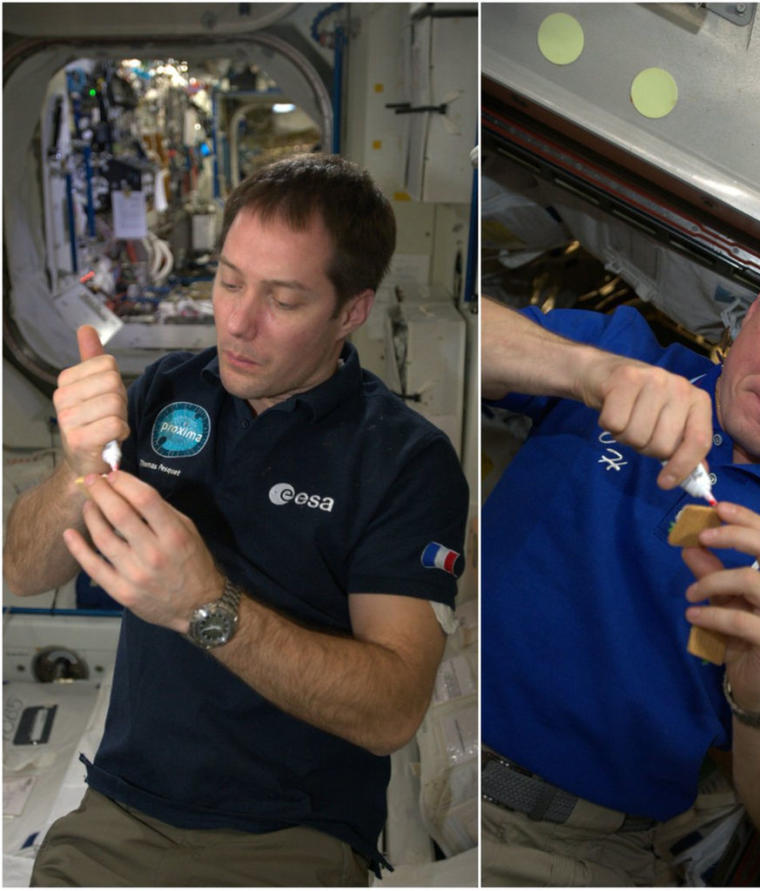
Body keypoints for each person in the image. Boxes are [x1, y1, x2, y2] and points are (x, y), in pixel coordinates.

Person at [4, 153, 469, 886]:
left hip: (289, 834)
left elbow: (392, 711)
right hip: (120, 811)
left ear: (351, 311)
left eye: (283, 300)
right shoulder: (165, 390)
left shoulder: (406, 460)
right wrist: (78, 465)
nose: (237, 323)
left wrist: (202, 605)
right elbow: (21, 568)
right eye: (227, 281)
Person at [480, 240, 760, 885]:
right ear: (757, 308)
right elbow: (471, 334)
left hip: (574, 854)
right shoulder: (630, 353)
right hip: (429, 730)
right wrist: (586, 371)